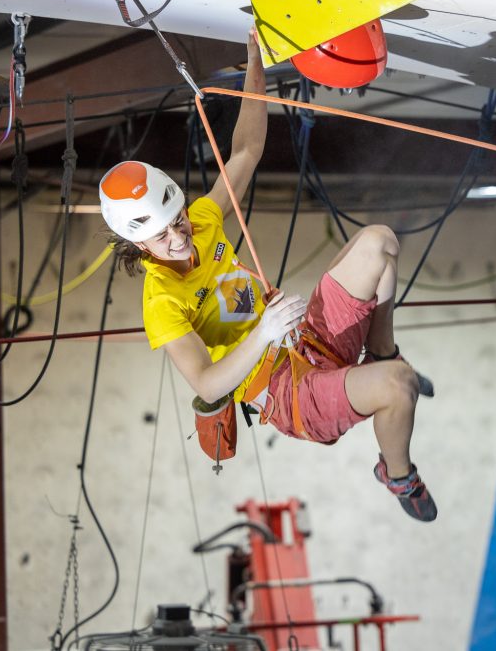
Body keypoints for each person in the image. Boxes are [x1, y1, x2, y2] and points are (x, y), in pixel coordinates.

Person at [97, 32, 437, 522]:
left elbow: (246, 151)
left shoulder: (200, 220)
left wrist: (255, 65)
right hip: (286, 392)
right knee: (398, 386)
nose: (180, 237)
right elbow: (209, 385)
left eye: (179, 223)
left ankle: (382, 350)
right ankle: (398, 473)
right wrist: (264, 333)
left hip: (306, 335)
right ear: (136, 246)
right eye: (163, 236)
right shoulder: (162, 301)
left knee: (379, 241)